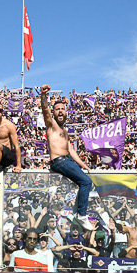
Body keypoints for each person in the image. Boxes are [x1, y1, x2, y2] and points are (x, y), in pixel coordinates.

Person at [40, 84, 94, 231]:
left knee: (85, 182)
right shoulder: (51, 125)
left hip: (67, 160)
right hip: (59, 161)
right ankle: (81, 215)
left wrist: (84, 165)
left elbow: (71, 150)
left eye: (62, 109)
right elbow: (45, 110)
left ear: (66, 112)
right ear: (54, 112)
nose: (60, 111)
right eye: (57, 109)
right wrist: (43, 95)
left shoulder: (65, 131)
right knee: (86, 182)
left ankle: (77, 212)